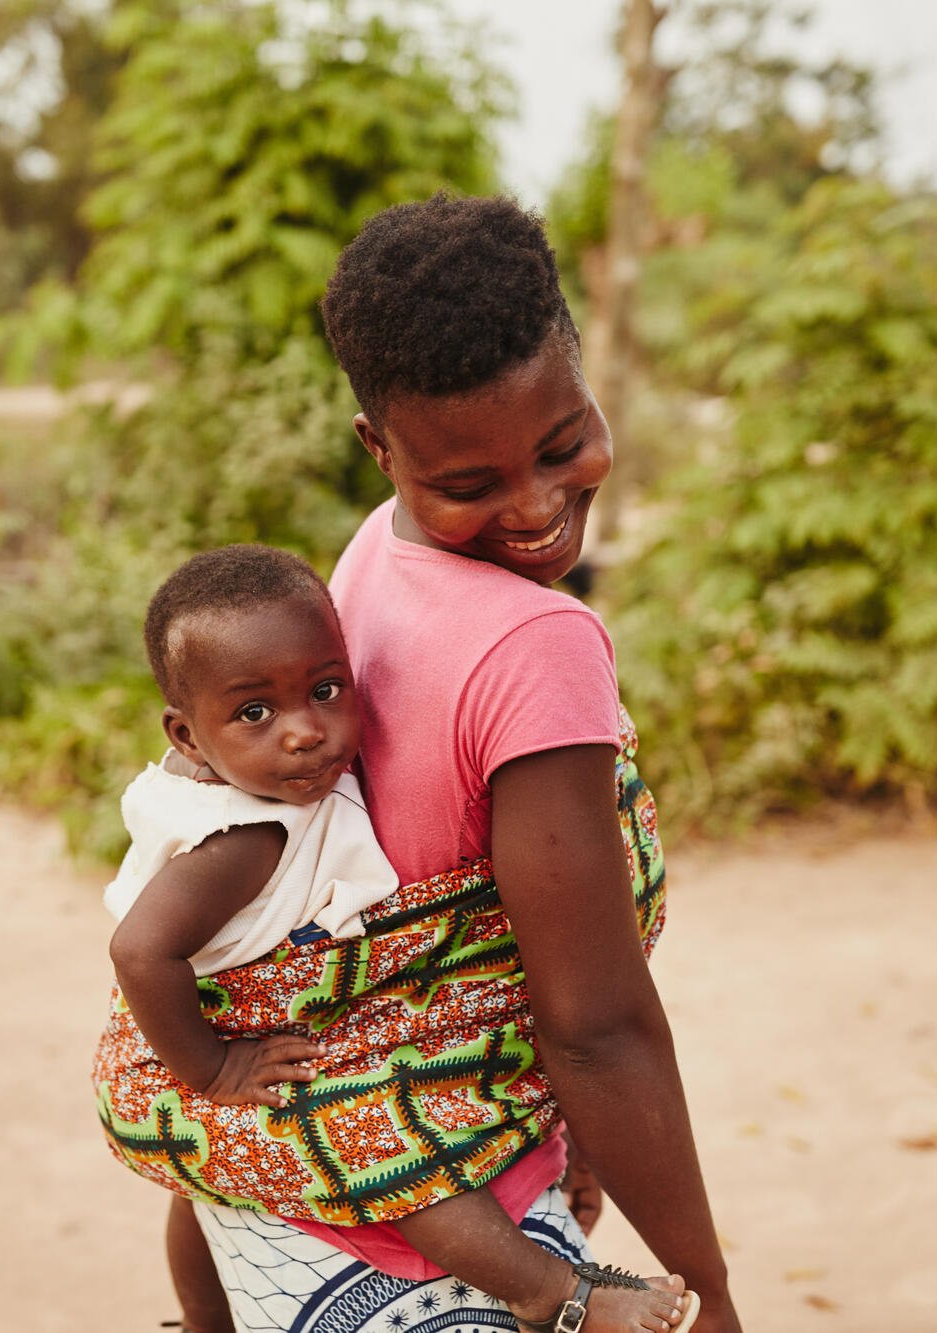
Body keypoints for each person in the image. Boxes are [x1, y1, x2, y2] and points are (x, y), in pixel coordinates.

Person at [161, 194, 740, 1332]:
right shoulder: (537, 645)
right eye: (468, 487)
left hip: (276, 1189)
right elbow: (593, 1021)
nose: (533, 506)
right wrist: (707, 1293)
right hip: (410, 1203)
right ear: (380, 447)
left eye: (562, 441)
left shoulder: (370, 552)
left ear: (582, 376)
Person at [100, 544, 694, 1333]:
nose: (305, 731)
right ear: (186, 734)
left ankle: (204, 1321)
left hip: (207, 1037)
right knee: (384, 1144)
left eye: (325, 689)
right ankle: (548, 1292)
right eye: (255, 713)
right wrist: (216, 1066)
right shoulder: (243, 835)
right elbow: (138, 951)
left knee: (224, 1175)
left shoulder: (263, 781)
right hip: (181, 1053)